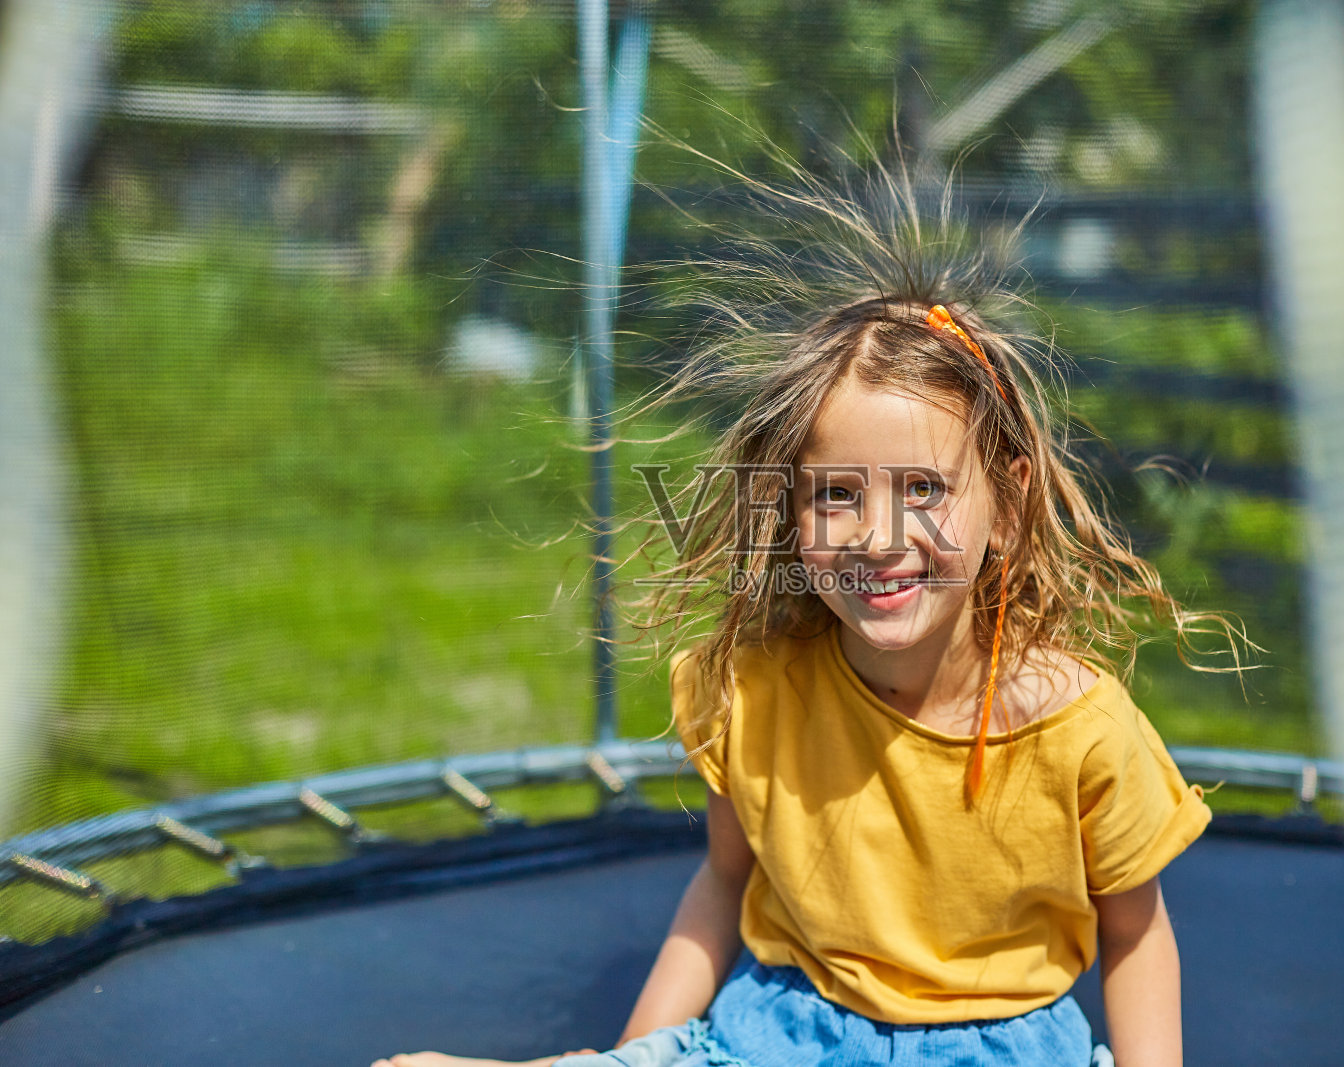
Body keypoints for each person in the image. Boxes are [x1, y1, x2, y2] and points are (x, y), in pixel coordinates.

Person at [375, 165, 1235, 1067]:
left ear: (1007, 510)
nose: (876, 536)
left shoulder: (1080, 730)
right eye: (835, 494)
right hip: (786, 1033)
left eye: (924, 489)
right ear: (787, 512)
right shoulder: (751, 691)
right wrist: (628, 1059)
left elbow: (1136, 935)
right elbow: (721, 882)